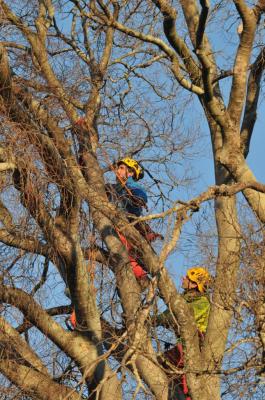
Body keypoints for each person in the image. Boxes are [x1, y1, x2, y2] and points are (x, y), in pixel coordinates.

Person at [157, 266, 211, 400]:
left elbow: (185, 317)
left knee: (166, 363)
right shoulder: (184, 300)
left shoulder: (202, 302)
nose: (183, 279)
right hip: (184, 345)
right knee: (167, 370)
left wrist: (163, 319)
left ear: (194, 284)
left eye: (187, 278)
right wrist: (150, 320)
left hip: (195, 345)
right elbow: (168, 315)